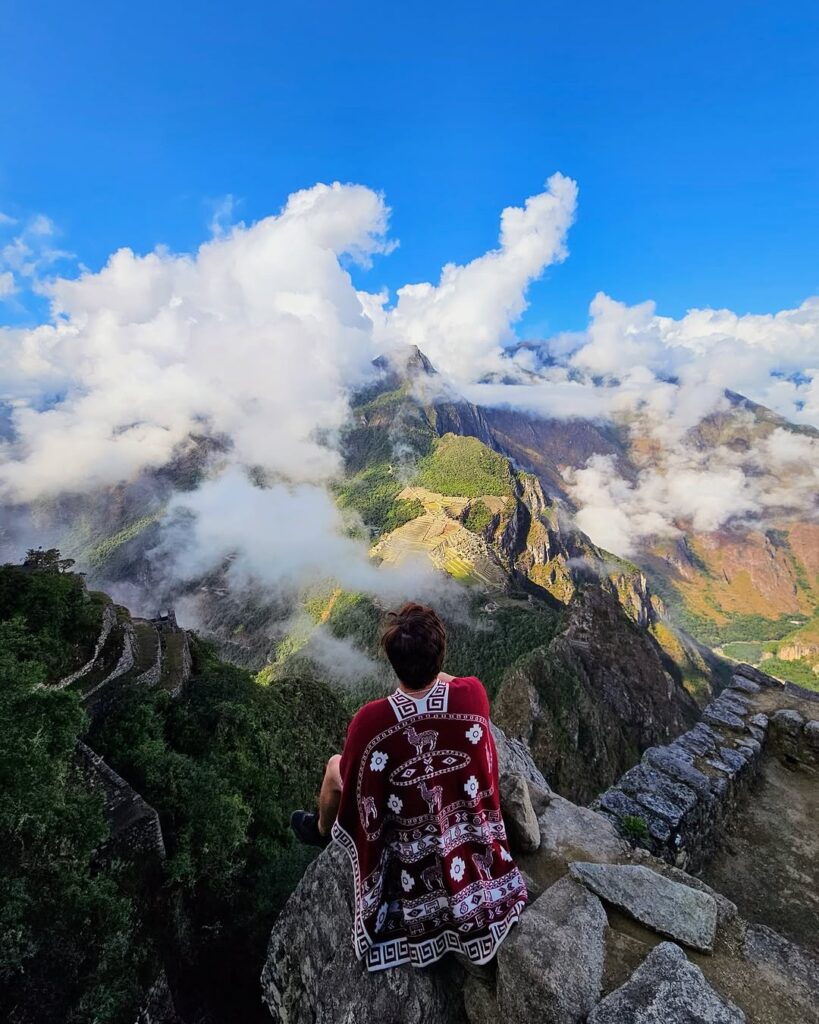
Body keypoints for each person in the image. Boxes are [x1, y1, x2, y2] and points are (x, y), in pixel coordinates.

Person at [291, 602, 528, 972]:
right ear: (441, 654)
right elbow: (451, 682)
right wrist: (430, 671)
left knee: (335, 766)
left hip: (407, 853)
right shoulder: (473, 696)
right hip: (467, 844)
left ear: (391, 660)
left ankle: (321, 829)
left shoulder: (370, 722)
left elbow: (356, 782)